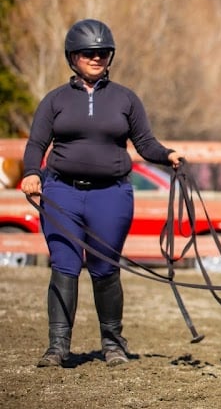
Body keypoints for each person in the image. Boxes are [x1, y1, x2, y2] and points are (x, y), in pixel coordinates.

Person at [21, 19, 183, 368]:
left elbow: (145, 143)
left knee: (105, 268)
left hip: (111, 196)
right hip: (61, 193)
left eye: (103, 52)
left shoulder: (126, 99)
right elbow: (36, 144)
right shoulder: (55, 101)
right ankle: (57, 346)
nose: (97, 58)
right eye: (89, 53)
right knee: (63, 265)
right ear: (73, 56)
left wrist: (168, 154)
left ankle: (113, 344)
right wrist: (33, 173)